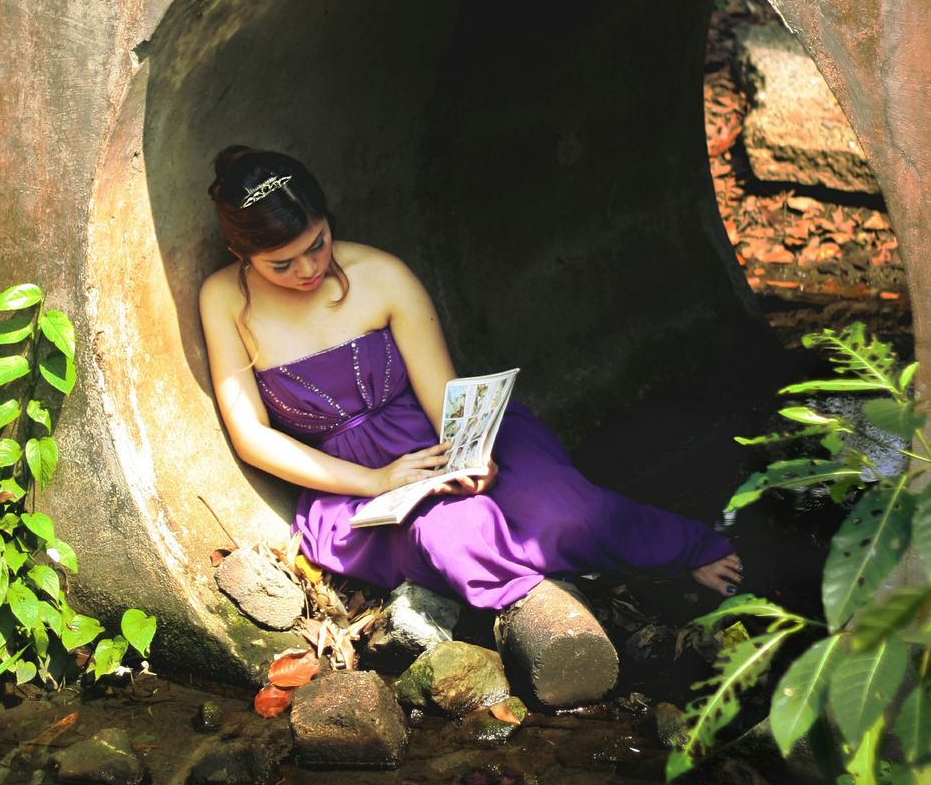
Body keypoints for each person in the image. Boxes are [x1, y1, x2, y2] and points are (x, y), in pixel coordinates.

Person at [198, 146, 743, 613]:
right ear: (240, 255)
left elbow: (443, 390)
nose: (309, 269)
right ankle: (548, 603)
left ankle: (681, 548)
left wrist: (471, 455)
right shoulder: (224, 299)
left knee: (567, 515)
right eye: (282, 264)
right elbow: (252, 436)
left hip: (441, 440)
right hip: (353, 480)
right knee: (451, 544)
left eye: (318, 243)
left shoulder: (380, 273)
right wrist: (377, 482)